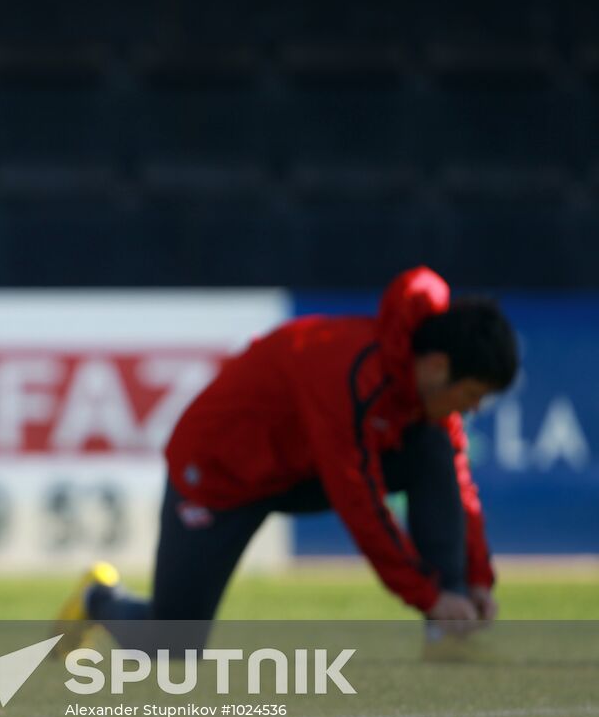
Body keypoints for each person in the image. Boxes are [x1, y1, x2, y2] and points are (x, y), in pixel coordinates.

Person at [59, 266, 518, 651]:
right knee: (174, 642)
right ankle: (98, 598)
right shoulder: (347, 375)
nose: (473, 407)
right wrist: (424, 595)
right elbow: (360, 502)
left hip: (298, 470)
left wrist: (476, 580)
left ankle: (449, 631)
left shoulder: (427, 398)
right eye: (472, 393)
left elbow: (456, 484)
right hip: (221, 475)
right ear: (438, 366)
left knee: (433, 450)